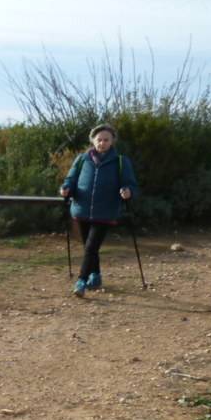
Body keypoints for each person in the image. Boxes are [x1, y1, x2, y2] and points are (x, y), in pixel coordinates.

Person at [59, 123, 139, 297]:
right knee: (90, 247)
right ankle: (95, 276)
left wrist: (128, 191)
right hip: (81, 209)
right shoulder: (82, 159)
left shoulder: (120, 161)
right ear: (93, 140)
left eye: (106, 140)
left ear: (112, 142)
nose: (102, 143)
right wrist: (66, 188)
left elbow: (131, 184)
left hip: (106, 211)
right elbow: (71, 179)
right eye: (99, 139)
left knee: (90, 247)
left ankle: (81, 280)